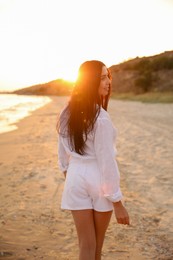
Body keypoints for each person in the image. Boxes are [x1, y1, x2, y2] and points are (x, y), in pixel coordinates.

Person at [57, 60, 130, 260]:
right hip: (98, 179)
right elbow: (106, 161)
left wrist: (68, 173)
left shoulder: (66, 112)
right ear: (89, 82)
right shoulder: (101, 118)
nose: (107, 82)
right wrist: (118, 202)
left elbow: (62, 152)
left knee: (85, 247)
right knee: (95, 249)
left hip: (75, 176)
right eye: (102, 78)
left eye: (108, 76)